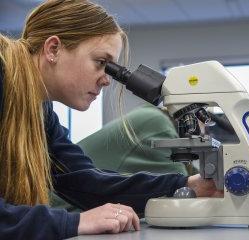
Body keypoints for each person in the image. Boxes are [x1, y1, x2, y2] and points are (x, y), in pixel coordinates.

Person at [0, 0, 221, 239]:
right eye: (101, 63)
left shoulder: (40, 112)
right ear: (53, 49)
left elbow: (86, 182)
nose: (107, 80)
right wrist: (71, 222)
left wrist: (187, 184)